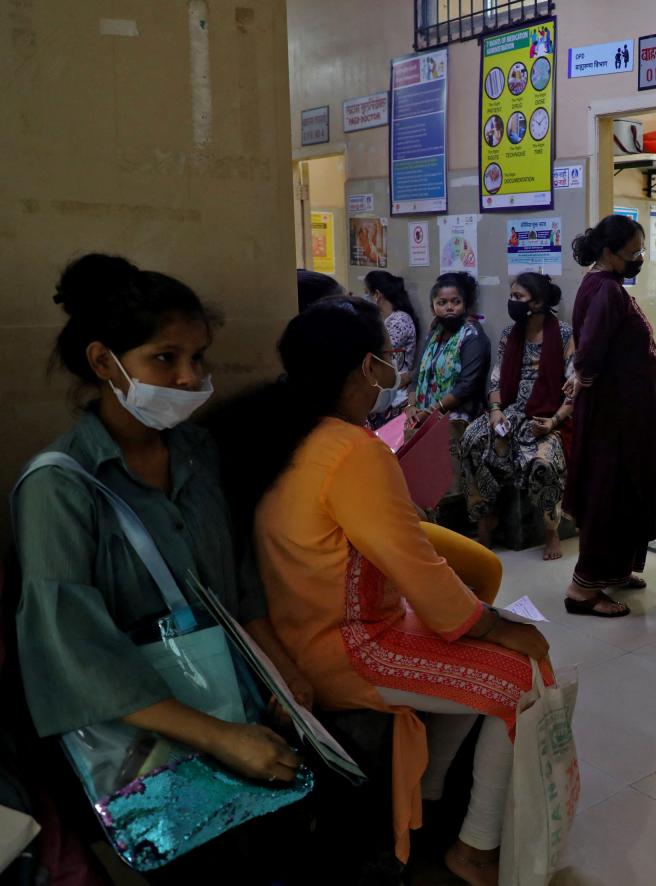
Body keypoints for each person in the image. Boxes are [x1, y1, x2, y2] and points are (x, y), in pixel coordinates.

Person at [13, 254, 308, 877]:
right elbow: (75, 655)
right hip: (147, 744)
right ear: (104, 363)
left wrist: (280, 676)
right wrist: (220, 738)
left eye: (197, 358)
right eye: (164, 358)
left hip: (236, 706)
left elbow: (237, 583)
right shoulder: (61, 488)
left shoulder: (199, 455)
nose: (188, 378)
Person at [238, 297, 550, 883]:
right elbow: (418, 568)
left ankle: (430, 800)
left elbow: (408, 559)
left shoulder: (289, 429)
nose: (391, 371)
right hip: (348, 645)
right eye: (384, 358)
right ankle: (474, 849)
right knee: (523, 679)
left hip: (314, 630)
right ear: (363, 367)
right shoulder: (352, 450)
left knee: (490, 648)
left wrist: (478, 619)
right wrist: (495, 624)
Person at [563, 215, 656, 617]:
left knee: (628, 490)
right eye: (633, 252)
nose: (639, 258)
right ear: (608, 253)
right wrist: (581, 381)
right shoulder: (606, 290)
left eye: (642, 250)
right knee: (610, 493)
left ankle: (616, 570)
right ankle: (583, 590)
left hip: (626, 413)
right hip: (614, 418)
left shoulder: (604, 284)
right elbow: (588, 352)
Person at [460, 273, 574, 560]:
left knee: (543, 463)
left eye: (518, 297)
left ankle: (551, 531)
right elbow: (496, 381)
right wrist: (496, 411)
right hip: (510, 412)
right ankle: (484, 518)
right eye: (512, 296)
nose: (512, 302)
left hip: (547, 418)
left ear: (538, 302)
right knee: (471, 439)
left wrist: (553, 421)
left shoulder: (562, 333)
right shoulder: (510, 334)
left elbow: (574, 389)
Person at [408, 273, 489, 490]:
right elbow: (418, 376)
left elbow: (466, 386)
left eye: (456, 302)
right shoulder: (435, 333)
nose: (449, 307)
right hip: (426, 411)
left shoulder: (472, 335)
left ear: (465, 305)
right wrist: (411, 406)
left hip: (459, 414)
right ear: (433, 307)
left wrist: (432, 410)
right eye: (442, 303)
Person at [364, 270, 418, 426]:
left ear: (377, 295)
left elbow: (374, 351)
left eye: (367, 293)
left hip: (396, 395)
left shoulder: (399, 320)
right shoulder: (384, 319)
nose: (365, 297)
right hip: (384, 390)